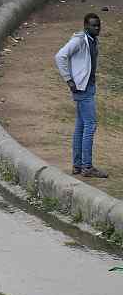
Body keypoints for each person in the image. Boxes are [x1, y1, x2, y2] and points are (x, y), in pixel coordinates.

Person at [55, 13, 108, 178]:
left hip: (87, 87)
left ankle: (77, 166)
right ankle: (87, 167)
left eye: (98, 25)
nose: (97, 28)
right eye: (93, 25)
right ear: (86, 26)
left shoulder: (92, 40)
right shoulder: (79, 40)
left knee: (80, 126)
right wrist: (69, 80)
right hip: (82, 89)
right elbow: (60, 56)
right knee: (90, 125)